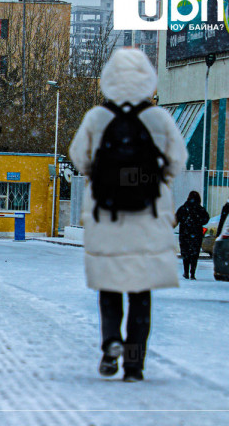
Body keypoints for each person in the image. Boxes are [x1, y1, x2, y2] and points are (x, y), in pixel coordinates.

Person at [69, 48, 187, 382]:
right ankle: (134, 364)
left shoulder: (97, 118)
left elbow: (79, 157)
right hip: (147, 219)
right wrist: (153, 182)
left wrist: (104, 179)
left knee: (109, 287)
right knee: (140, 294)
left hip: (108, 217)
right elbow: (177, 160)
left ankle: (110, 345)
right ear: (147, 79)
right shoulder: (158, 119)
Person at [175, 191, 210, 280]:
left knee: (185, 253)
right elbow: (206, 219)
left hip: (184, 234)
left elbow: (175, 220)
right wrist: (198, 222)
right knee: (194, 254)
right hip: (196, 234)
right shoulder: (200, 209)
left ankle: (186, 272)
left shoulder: (183, 208)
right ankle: (192, 273)